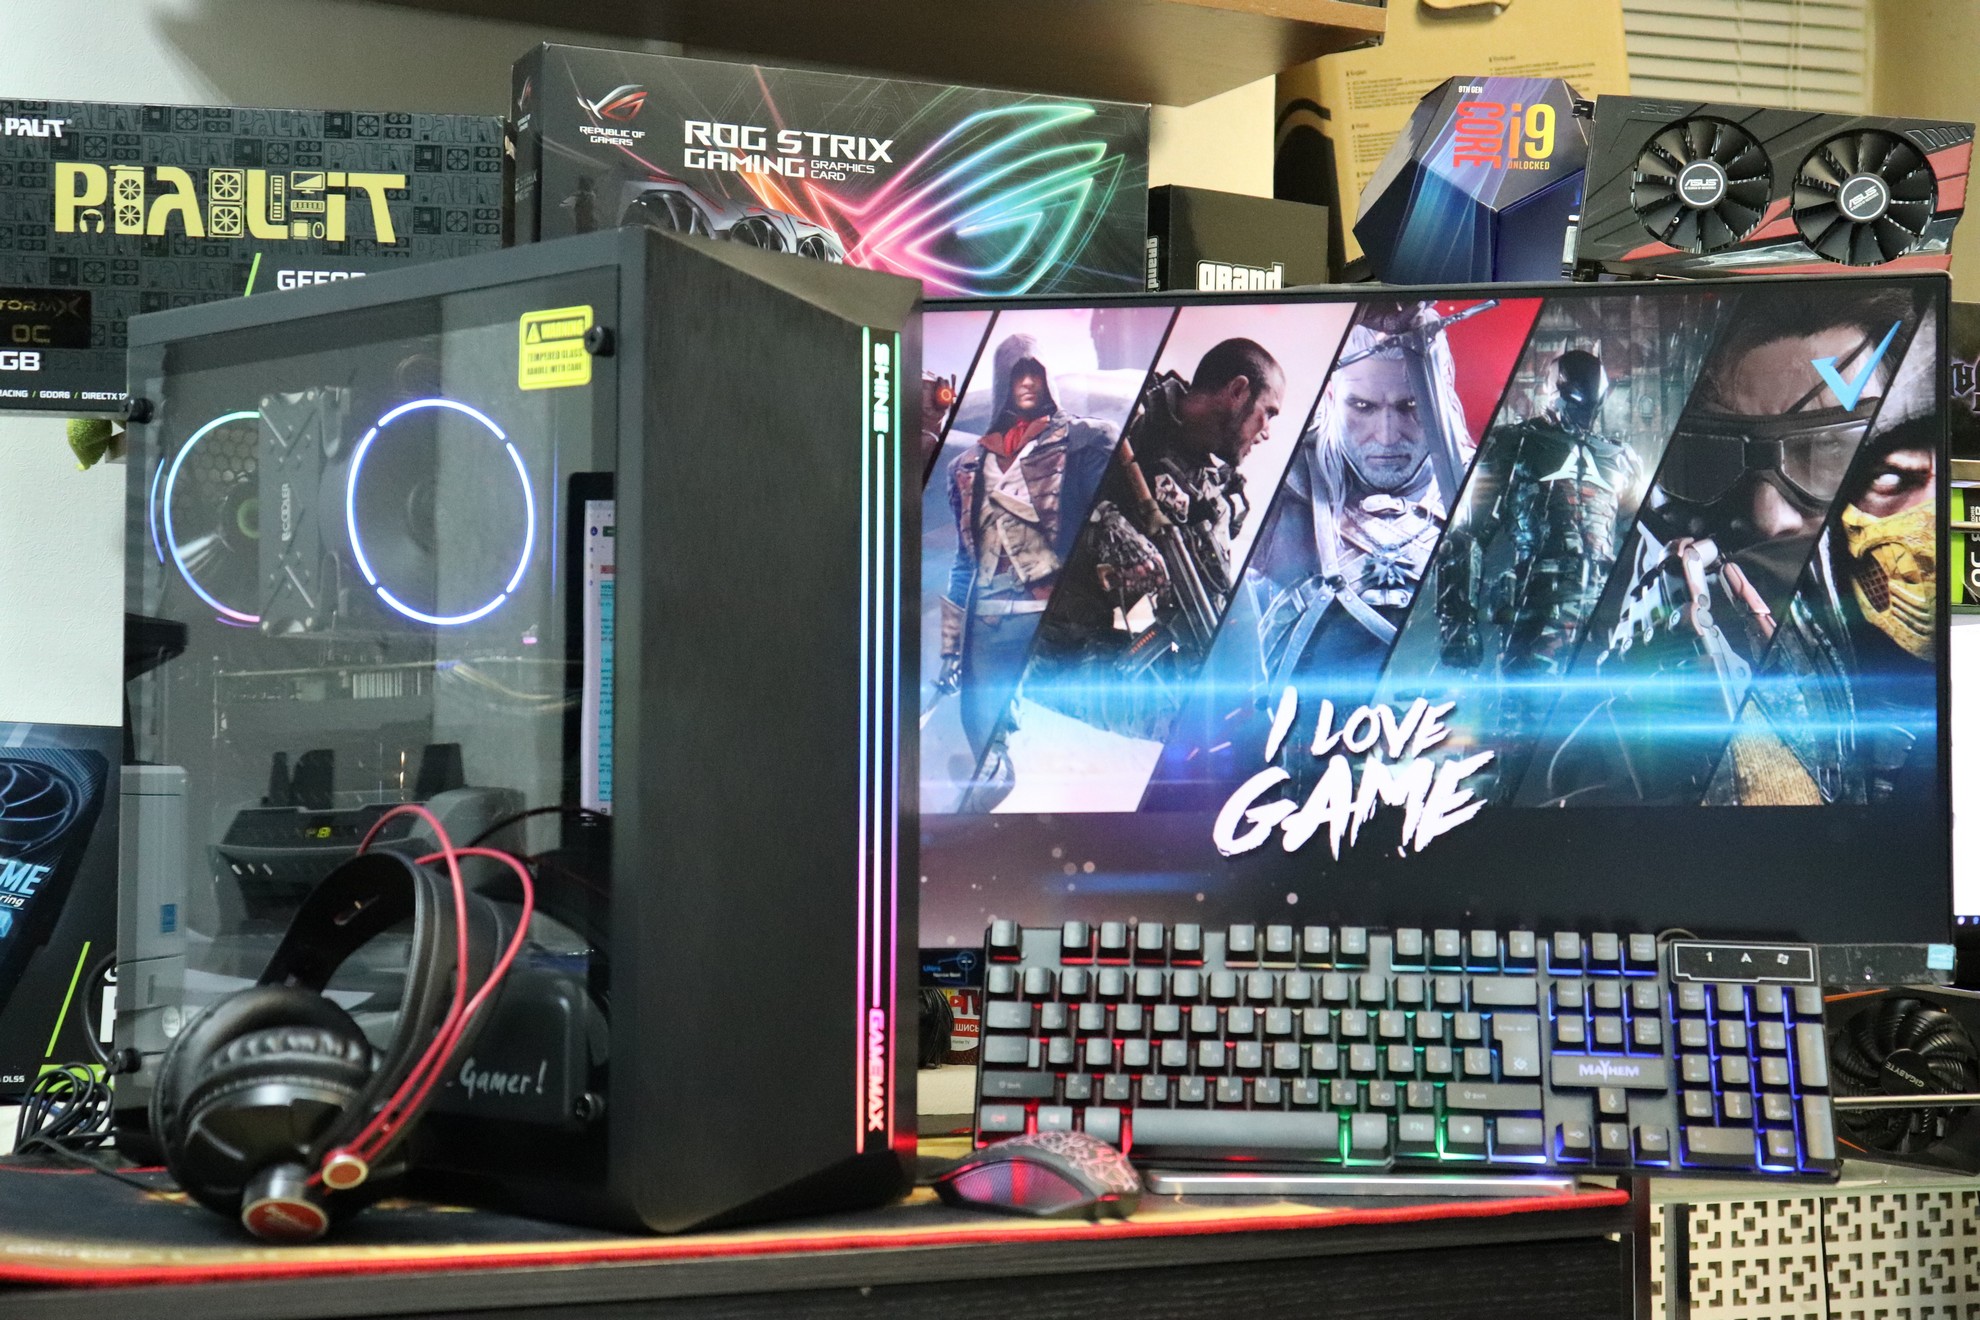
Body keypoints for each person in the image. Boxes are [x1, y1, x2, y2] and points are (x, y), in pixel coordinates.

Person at [1026, 338, 1284, 739]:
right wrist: (1105, 526)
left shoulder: (1210, 501)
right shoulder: (1124, 408)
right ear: (1237, 391)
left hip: (1100, 647)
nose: (1266, 432)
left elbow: (1210, 609)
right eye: (1268, 413)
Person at [1252, 303, 1472, 708]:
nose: (1386, 436)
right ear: (1332, 395)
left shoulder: (1484, 485)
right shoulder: (1280, 484)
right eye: (1363, 406)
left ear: (1440, 393)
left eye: (1410, 406)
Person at [1436, 347, 1640, 773]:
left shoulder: (1621, 458)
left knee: (1607, 747)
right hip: (1537, 611)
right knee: (1525, 741)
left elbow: (1639, 537)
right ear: (1553, 390)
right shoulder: (1514, 443)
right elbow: (1467, 534)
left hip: (1603, 620)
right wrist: (1458, 624)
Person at [936, 334, 1116, 806]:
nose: (1027, 384)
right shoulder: (966, 467)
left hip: (1054, 614)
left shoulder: (1087, 440)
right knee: (983, 736)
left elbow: (1105, 530)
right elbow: (964, 562)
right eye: (1017, 375)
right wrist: (951, 649)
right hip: (991, 620)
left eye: (1034, 373)